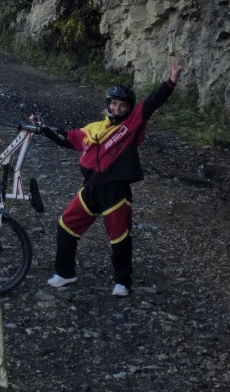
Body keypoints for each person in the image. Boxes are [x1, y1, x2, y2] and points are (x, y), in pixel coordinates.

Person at [34, 57, 184, 297]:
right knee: (65, 227)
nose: (117, 108)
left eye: (122, 106)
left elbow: (151, 104)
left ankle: (123, 282)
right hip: (91, 189)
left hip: (116, 191)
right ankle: (65, 272)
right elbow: (67, 138)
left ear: (128, 108)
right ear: (108, 104)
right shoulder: (93, 128)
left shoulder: (131, 124)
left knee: (119, 239)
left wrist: (171, 81)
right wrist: (43, 128)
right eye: (114, 104)